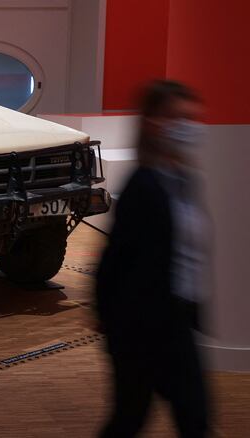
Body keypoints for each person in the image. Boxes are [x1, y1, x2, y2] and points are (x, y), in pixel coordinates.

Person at [96, 80, 211, 438]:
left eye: (191, 119)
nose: (187, 128)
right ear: (151, 122)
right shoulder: (142, 186)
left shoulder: (183, 180)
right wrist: (111, 324)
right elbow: (115, 261)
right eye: (177, 118)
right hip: (141, 328)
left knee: (194, 416)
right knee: (131, 418)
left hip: (177, 321)